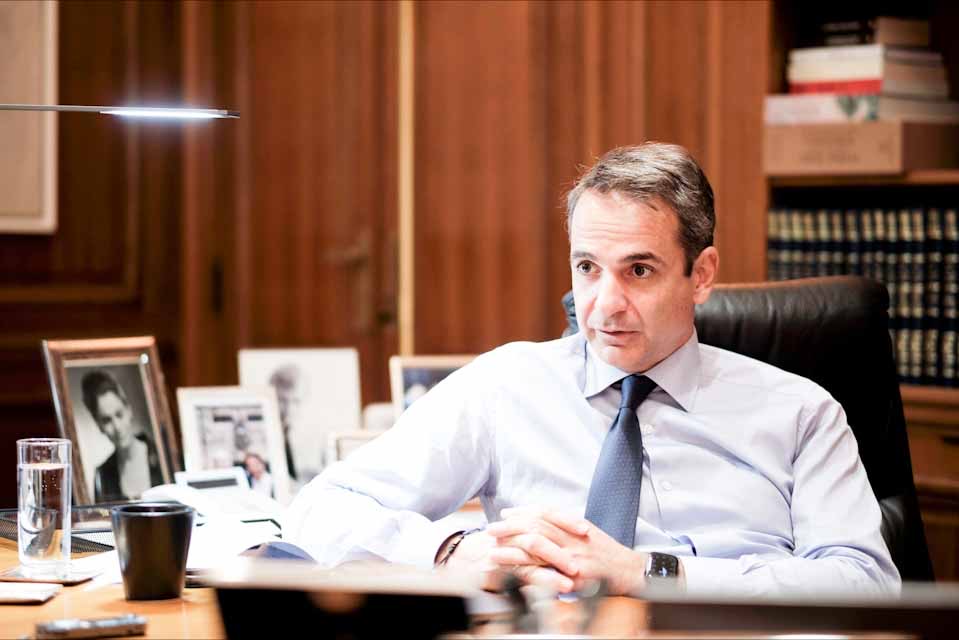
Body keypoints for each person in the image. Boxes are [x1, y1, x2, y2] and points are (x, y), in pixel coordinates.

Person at [285, 143, 900, 597]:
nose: (603, 305)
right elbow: (322, 508)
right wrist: (450, 550)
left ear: (702, 274)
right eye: (587, 268)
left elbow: (865, 582)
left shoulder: (799, 412)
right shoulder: (506, 386)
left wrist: (649, 572)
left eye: (639, 270)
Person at [81, 369, 163, 502]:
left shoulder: (163, 458)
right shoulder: (103, 474)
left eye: (119, 414)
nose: (117, 427)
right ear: (99, 425)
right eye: (107, 420)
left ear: (129, 410)